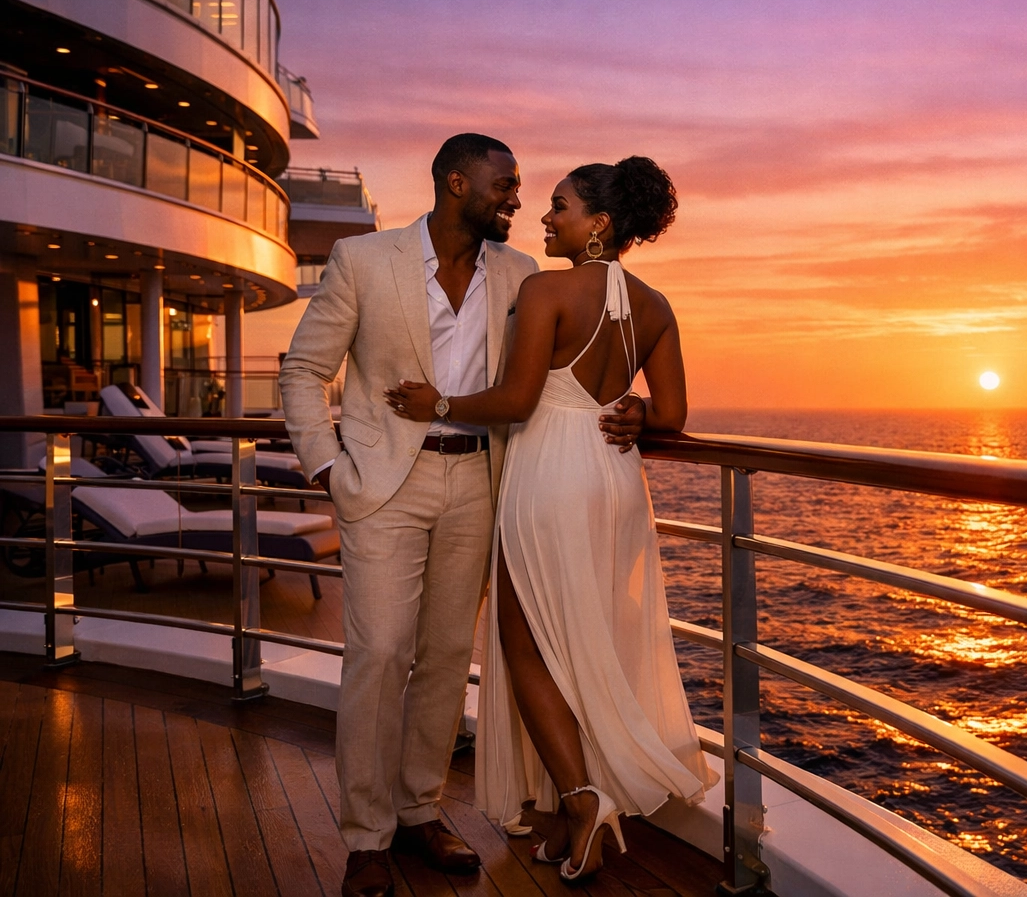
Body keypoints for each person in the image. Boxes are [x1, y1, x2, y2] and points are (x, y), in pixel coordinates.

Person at [279, 134, 646, 897]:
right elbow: (304, 371)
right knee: (380, 653)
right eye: (506, 185)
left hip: (481, 483)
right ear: (456, 183)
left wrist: (633, 407)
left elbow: (558, 371)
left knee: (447, 658)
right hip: (383, 485)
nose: (518, 198)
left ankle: (418, 812)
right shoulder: (363, 260)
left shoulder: (520, 274)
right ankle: (366, 837)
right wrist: (327, 469)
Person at [385, 156, 715, 884]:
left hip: (551, 476)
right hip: (615, 479)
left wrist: (434, 404)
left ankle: (581, 796)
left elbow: (515, 400)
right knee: (578, 634)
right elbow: (675, 415)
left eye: (560, 206)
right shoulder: (656, 305)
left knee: (525, 643)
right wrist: (636, 410)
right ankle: (575, 817)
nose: (544, 216)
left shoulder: (547, 290)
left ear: (598, 224)